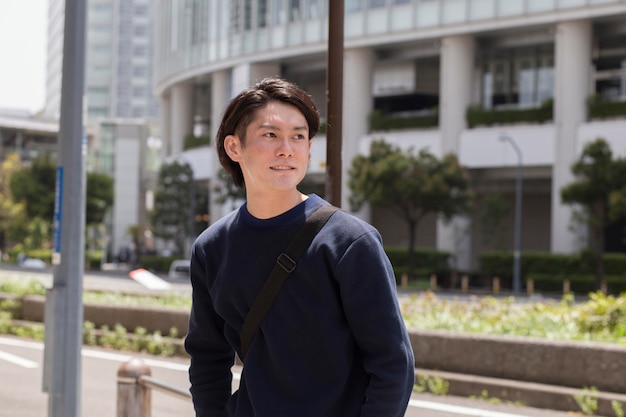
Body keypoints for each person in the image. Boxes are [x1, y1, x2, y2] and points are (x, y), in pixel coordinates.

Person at [185, 77, 415, 417]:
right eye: (270, 135)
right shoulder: (212, 248)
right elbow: (207, 357)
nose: (287, 149)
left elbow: (393, 363)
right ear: (234, 148)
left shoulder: (350, 242)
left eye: (298, 136)